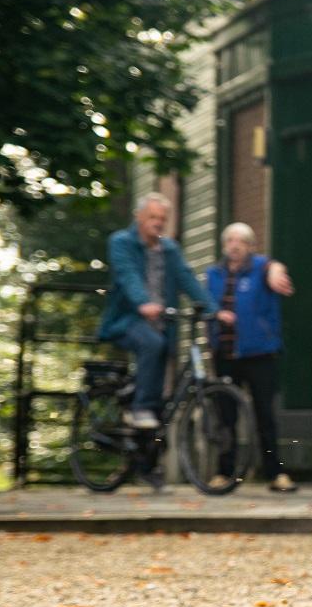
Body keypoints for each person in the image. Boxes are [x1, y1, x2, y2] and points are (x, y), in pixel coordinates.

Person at [97, 192, 222, 431]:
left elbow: (187, 279)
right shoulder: (122, 242)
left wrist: (214, 310)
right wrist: (143, 302)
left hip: (163, 322)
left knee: (162, 361)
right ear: (139, 217)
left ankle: (147, 445)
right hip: (128, 319)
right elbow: (128, 275)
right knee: (152, 345)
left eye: (162, 218)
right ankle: (140, 407)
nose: (158, 223)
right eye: (152, 217)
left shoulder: (169, 249)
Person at [204, 222, 297, 493]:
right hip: (225, 353)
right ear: (224, 246)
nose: (235, 245)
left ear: (251, 246)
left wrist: (276, 271)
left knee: (264, 415)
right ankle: (224, 472)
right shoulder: (213, 274)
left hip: (259, 354)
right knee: (226, 416)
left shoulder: (261, 268)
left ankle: (275, 473)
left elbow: (273, 266)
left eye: (241, 241)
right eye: (230, 240)